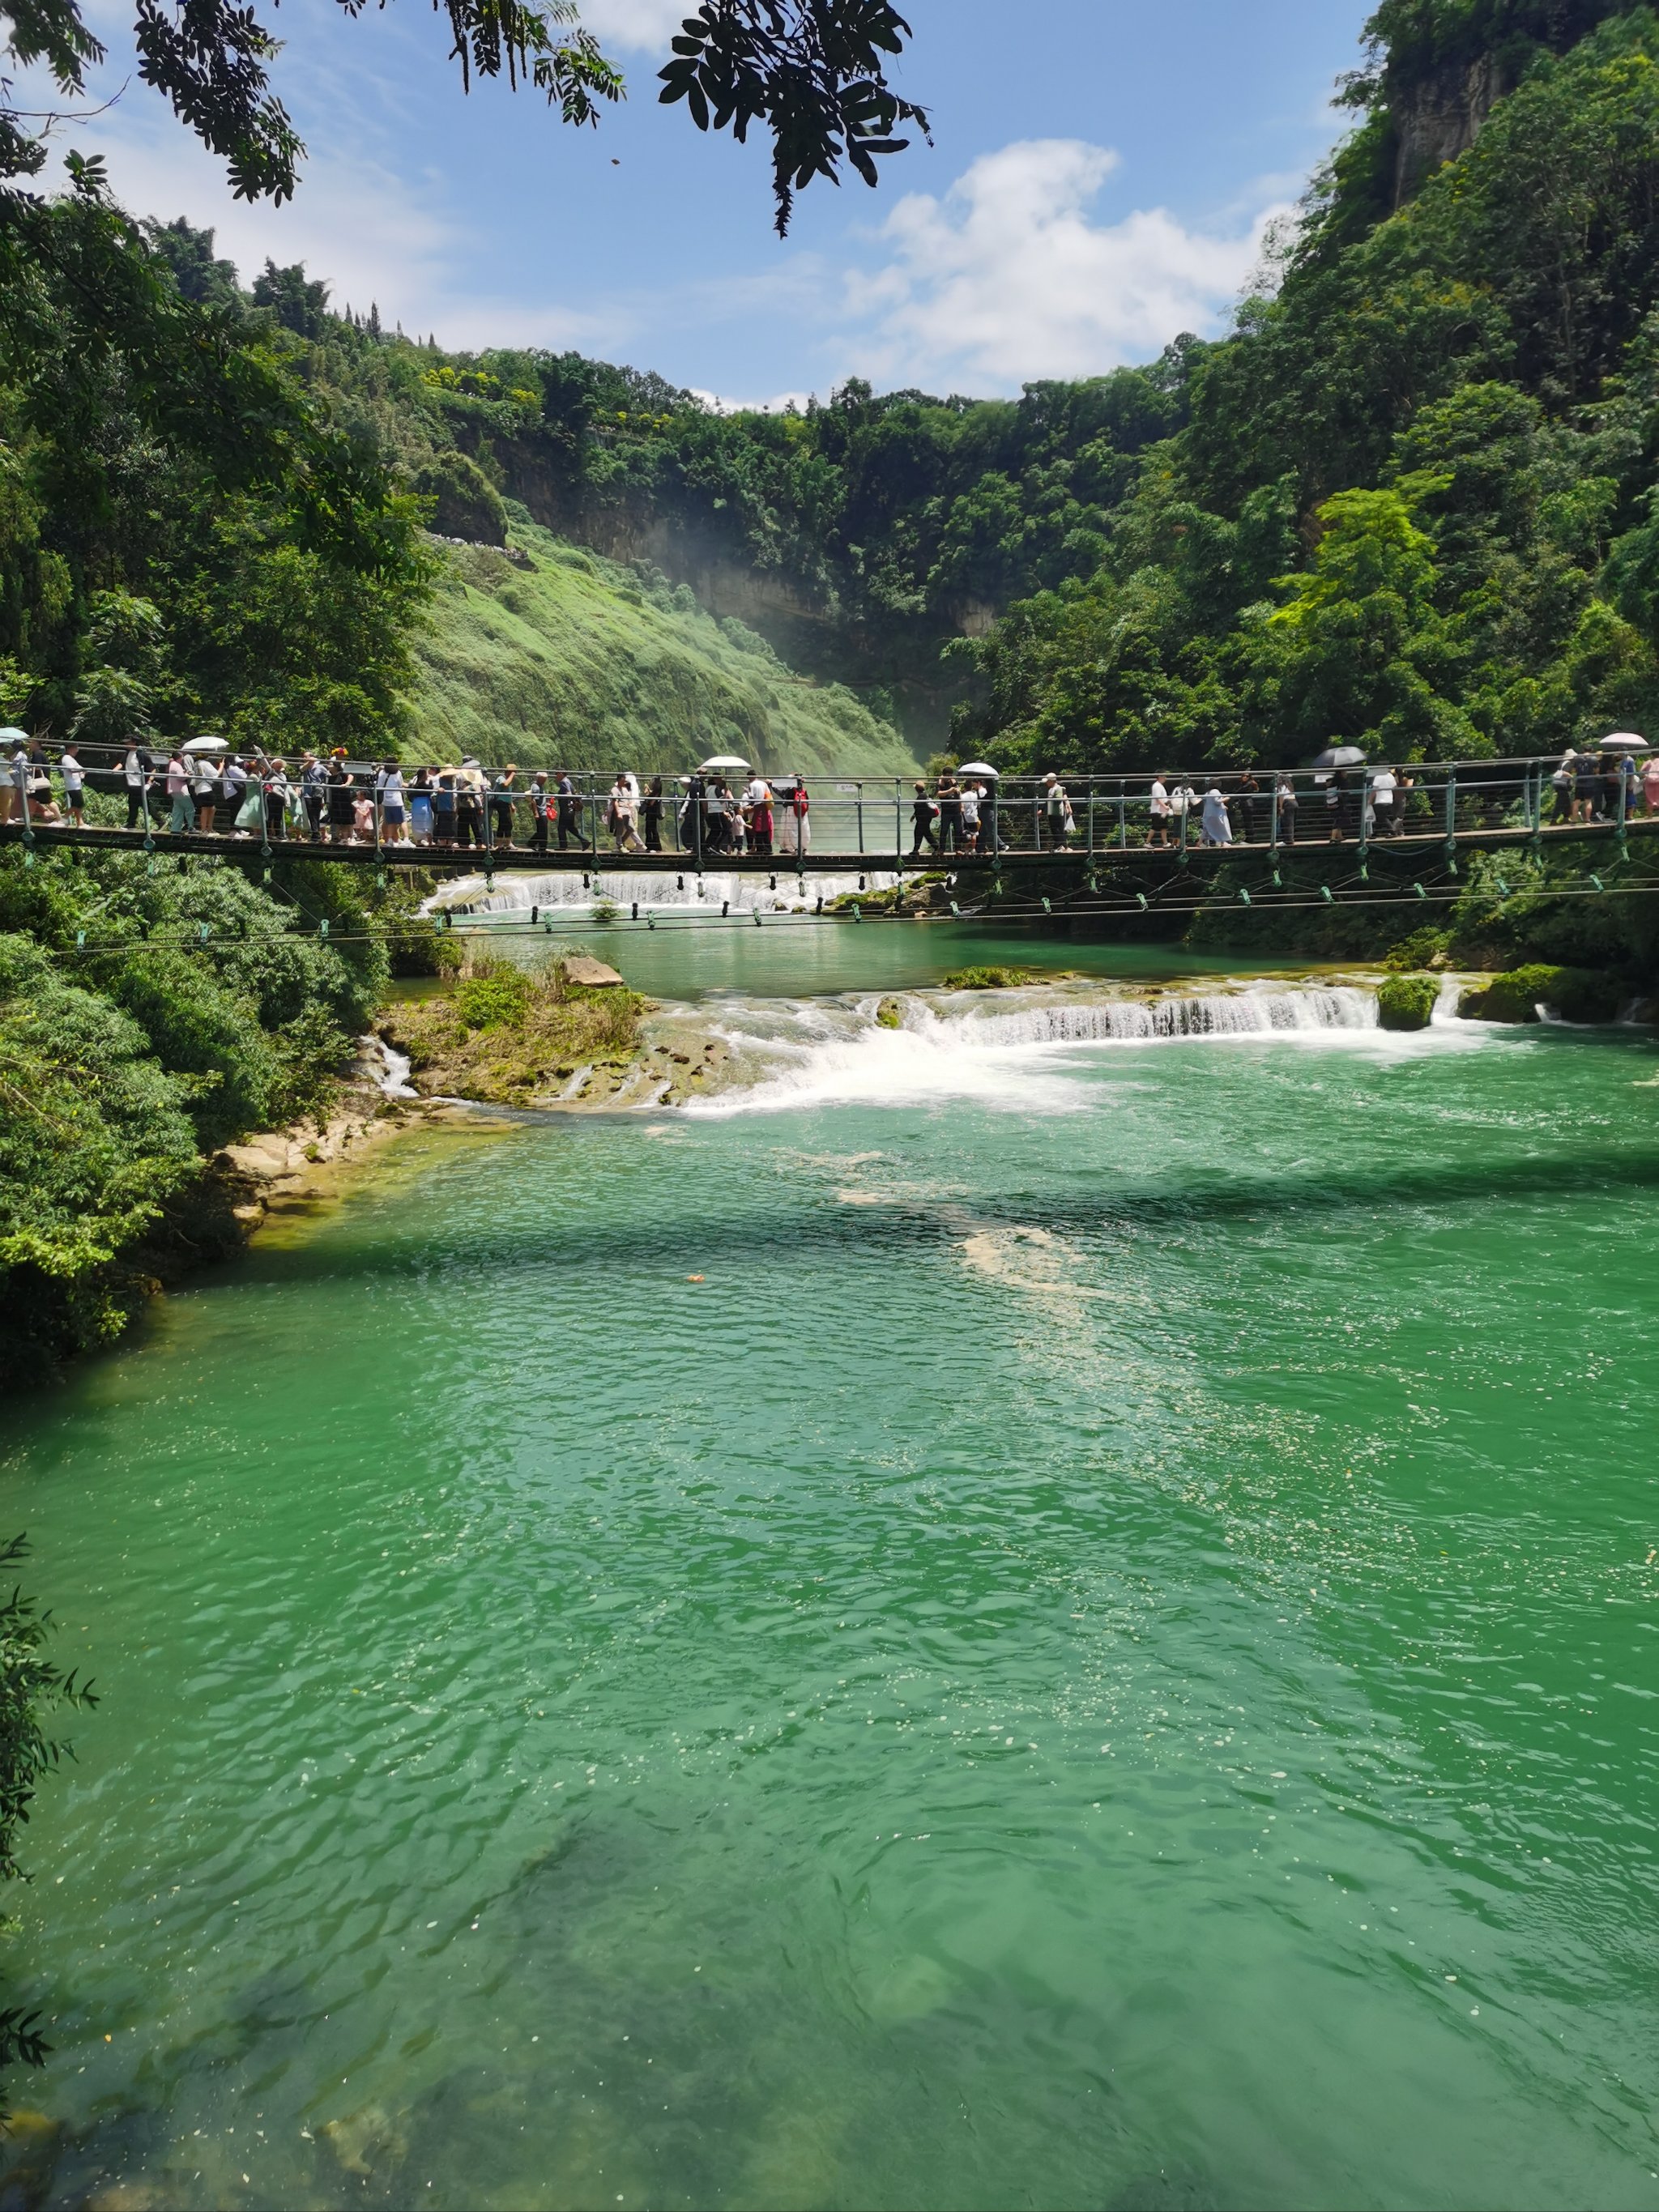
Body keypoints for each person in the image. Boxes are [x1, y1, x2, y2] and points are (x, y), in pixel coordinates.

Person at [609, 771, 644, 853]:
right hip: (620, 810)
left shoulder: (625, 789)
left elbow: (629, 799)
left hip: (627, 811)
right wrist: (618, 813)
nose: (623, 783)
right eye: (622, 781)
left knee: (631, 828)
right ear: (619, 780)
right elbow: (615, 801)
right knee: (620, 829)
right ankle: (620, 845)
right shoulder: (614, 789)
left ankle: (621, 842)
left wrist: (631, 807)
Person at [164, 747, 195, 834]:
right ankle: (190, 827)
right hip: (181, 791)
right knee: (190, 808)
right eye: (182, 757)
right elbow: (181, 777)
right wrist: (188, 774)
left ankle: (175, 829)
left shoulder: (171, 764)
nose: (183, 759)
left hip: (173, 790)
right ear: (179, 757)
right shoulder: (177, 765)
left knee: (178, 810)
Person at [744, 771, 774, 856]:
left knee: (757, 828)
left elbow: (752, 798)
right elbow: (768, 794)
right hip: (764, 806)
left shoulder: (752, 785)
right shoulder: (763, 783)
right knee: (764, 828)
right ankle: (768, 849)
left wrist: (750, 805)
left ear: (750, 777)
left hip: (758, 806)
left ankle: (760, 849)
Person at [1042, 771, 1073, 849]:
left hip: (1058, 813)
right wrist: (1042, 810)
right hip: (1051, 812)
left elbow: (1059, 799)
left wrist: (1068, 807)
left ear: (1051, 781)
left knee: (1059, 830)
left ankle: (1063, 845)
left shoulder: (1058, 788)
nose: (1046, 783)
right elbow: (1048, 801)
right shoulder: (1050, 790)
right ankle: (1058, 845)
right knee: (1054, 829)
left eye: (1048, 781)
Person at [191, 746, 218, 834]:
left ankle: (205, 829)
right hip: (206, 788)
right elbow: (216, 774)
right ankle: (207, 828)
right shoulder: (205, 763)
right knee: (208, 809)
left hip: (198, 789)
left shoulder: (196, 763)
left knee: (208, 808)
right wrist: (221, 766)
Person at [908, 778, 938, 859]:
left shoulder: (921, 797)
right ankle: (917, 850)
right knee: (924, 833)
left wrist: (914, 815)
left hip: (922, 819)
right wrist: (914, 816)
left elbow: (918, 807)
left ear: (916, 789)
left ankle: (936, 847)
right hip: (926, 818)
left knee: (919, 833)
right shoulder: (925, 795)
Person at [936, 771, 964, 855]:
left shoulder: (954, 782)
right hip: (946, 810)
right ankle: (942, 849)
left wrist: (961, 805)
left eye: (950, 775)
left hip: (956, 810)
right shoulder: (940, 783)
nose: (948, 777)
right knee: (944, 830)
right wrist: (950, 791)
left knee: (958, 830)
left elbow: (959, 793)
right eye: (947, 775)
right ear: (943, 775)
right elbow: (939, 794)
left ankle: (958, 849)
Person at [58, 744, 85, 826]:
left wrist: (82, 772)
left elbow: (81, 771)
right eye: (75, 748)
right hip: (72, 785)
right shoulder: (66, 758)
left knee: (78, 804)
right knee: (79, 803)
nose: (76, 751)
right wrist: (82, 770)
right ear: (69, 749)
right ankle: (64, 818)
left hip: (76, 785)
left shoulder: (72, 759)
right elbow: (72, 769)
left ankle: (80, 823)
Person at [491, 765, 518, 847]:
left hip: (506, 803)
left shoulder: (509, 781)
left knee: (505, 823)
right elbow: (505, 785)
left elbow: (508, 795)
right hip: (500, 802)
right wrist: (512, 775)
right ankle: (505, 843)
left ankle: (503, 843)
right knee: (506, 822)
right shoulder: (501, 778)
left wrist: (512, 804)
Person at [224, 753, 250, 833]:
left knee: (235, 811)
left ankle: (237, 829)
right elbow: (246, 778)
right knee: (236, 812)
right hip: (235, 792)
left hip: (228, 793)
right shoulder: (233, 768)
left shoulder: (226, 768)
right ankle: (234, 830)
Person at [1201, 782, 1231, 846]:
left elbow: (1208, 801)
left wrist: (1223, 805)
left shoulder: (1208, 792)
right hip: (1216, 814)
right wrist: (1226, 799)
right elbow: (1217, 801)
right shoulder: (1215, 791)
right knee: (1221, 827)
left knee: (1207, 828)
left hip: (1208, 813)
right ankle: (1222, 842)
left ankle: (1200, 842)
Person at [409, 767, 434, 846]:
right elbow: (431, 789)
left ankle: (418, 841)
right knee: (427, 822)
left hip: (416, 804)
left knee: (417, 822)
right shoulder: (425, 784)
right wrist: (431, 781)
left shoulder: (415, 784)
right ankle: (430, 841)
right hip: (425, 803)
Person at [432, 768, 458, 846]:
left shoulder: (453, 781)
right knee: (443, 823)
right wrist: (438, 789)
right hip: (443, 805)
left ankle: (449, 842)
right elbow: (433, 788)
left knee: (450, 824)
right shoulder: (440, 780)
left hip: (451, 805)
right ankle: (443, 842)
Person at [556, 769, 579, 851]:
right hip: (570, 808)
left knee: (561, 828)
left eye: (557, 774)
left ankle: (563, 846)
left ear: (561, 774)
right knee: (570, 827)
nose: (556, 776)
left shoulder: (564, 782)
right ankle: (584, 841)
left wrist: (559, 797)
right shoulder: (568, 781)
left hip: (566, 808)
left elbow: (568, 794)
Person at [528, 770, 551, 855]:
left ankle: (538, 845)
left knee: (542, 830)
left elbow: (540, 799)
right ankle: (538, 845)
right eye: (543, 779)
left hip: (543, 810)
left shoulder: (540, 786)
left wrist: (546, 803)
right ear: (538, 778)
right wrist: (536, 813)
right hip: (540, 811)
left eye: (545, 780)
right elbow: (534, 801)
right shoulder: (536, 787)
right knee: (543, 830)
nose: (544, 781)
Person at [642, 775, 663, 853]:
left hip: (651, 813)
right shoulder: (656, 792)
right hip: (652, 813)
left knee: (650, 829)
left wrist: (647, 796)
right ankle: (654, 846)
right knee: (652, 829)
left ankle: (652, 846)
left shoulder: (655, 793)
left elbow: (651, 803)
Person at [1274, 774, 1298, 846]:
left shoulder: (1281, 786)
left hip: (1288, 803)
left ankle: (1288, 841)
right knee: (1290, 822)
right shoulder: (1289, 786)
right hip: (1294, 802)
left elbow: (1281, 797)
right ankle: (1289, 839)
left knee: (1287, 822)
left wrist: (1281, 808)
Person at [1148, 774, 1171, 849]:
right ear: (1160, 777)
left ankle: (1165, 843)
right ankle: (1147, 842)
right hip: (1158, 810)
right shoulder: (1157, 786)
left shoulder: (1159, 785)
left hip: (1161, 810)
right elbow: (1158, 798)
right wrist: (1165, 806)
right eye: (1164, 777)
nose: (1166, 778)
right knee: (1155, 827)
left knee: (1163, 827)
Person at [959, 777, 979, 854]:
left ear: (964, 787)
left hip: (965, 817)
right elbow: (978, 804)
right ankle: (973, 849)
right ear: (972, 787)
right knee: (974, 834)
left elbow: (961, 807)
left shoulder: (963, 796)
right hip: (974, 817)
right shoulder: (976, 795)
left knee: (966, 834)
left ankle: (967, 850)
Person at [1644, 750, 1659, 820]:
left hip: (1649, 782)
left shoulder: (1648, 762)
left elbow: (1641, 771)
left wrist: (1645, 775)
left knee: (1649, 799)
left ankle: (1650, 815)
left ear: (1652, 755)